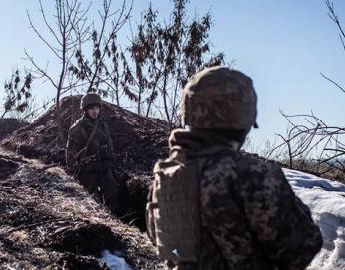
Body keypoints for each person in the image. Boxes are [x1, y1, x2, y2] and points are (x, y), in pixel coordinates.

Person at [146, 66, 323, 270]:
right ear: (243, 119)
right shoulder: (251, 174)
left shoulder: (166, 174)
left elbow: (161, 242)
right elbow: (302, 247)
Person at [66, 93, 120, 210]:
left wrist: (111, 162)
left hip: (104, 167)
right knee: (91, 203)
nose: (95, 111)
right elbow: (70, 154)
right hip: (88, 170)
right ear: (85, 109)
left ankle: (116, 222)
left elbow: (109, 145)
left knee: (113, 194)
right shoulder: (77, 128)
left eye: (97, 108)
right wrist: (73, 173)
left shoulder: (103, 125)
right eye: (91, 108)